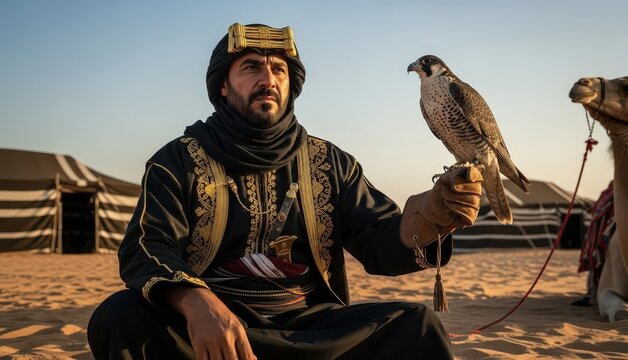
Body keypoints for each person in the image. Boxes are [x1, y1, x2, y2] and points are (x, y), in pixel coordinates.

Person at [87, 23, 484, 360]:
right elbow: (146, 246)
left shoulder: (331, 162)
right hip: (211, 331)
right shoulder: (176, 160)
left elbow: (378, 243)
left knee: (417, 326)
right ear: (223, 86)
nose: (268, 79)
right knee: (119, 316)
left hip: (309, 330)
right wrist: (196, 304)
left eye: (279, 69)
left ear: (291, 85)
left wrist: (429, 217)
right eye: (251, 68)